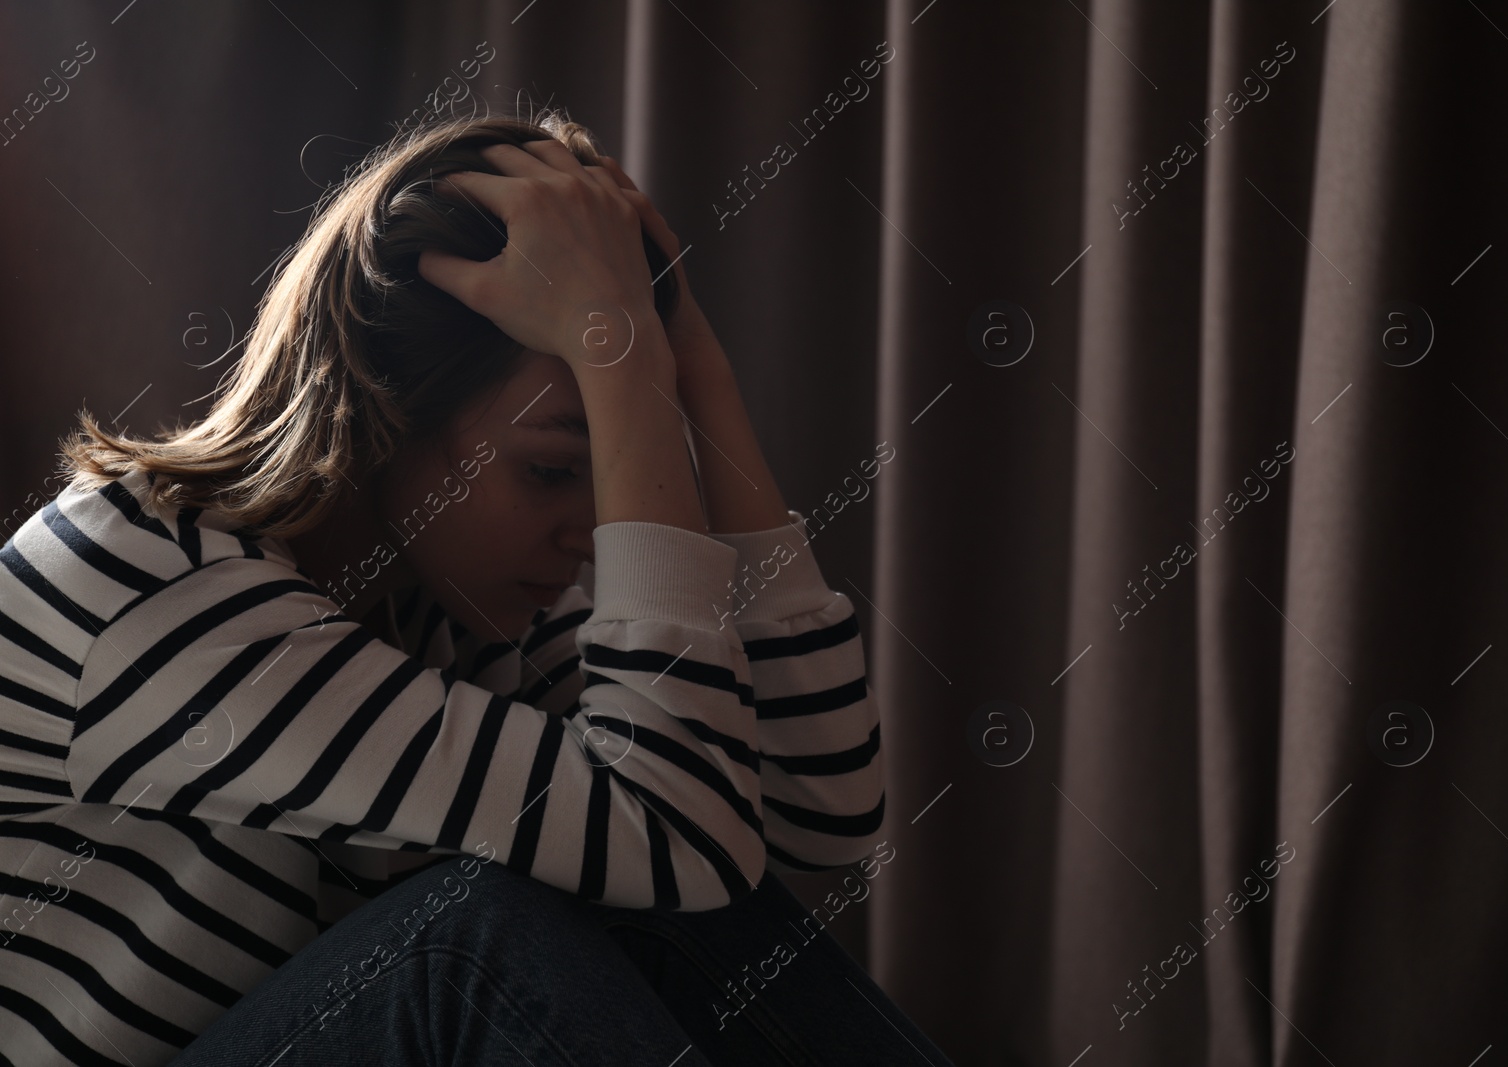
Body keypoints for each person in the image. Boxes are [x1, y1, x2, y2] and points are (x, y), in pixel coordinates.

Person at [0, 111, 954, 1066]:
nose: (590, 539)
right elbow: (681, 829)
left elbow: (817, 813)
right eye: (549, 471)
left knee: (637, 872)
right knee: (475, 941)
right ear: (383, 407)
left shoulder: (440, 608)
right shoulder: (150, 579)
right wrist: (618, 359)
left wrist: (688, 368)